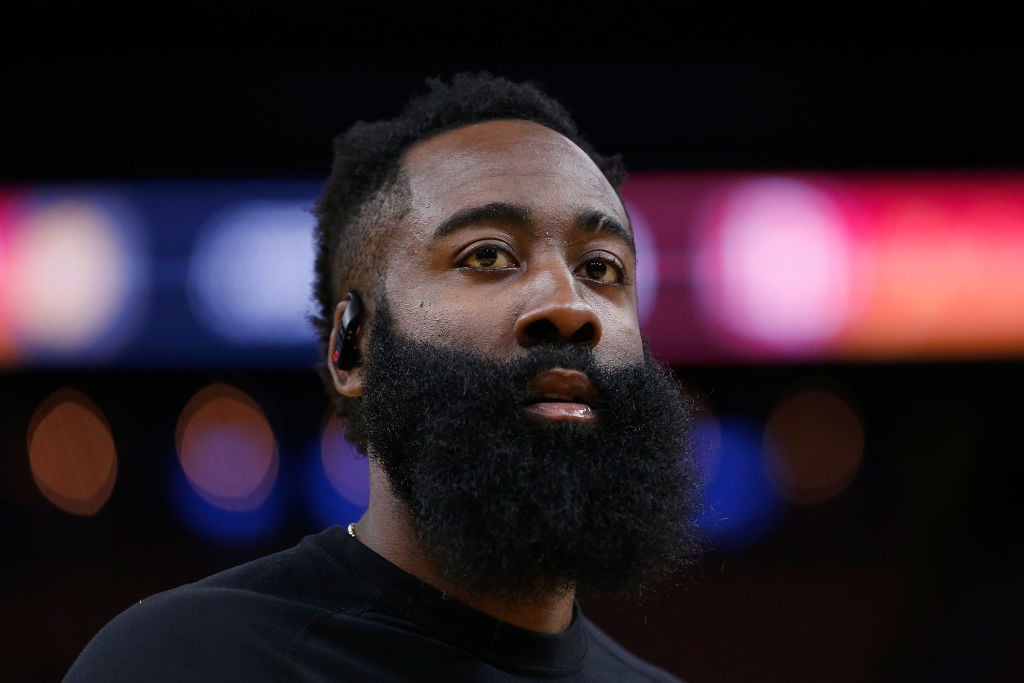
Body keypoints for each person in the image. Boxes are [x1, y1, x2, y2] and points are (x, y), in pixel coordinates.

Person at [64, 71, 705, 682]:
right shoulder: (188, 660)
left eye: (601, 268)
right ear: (352, 349)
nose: (569, 306)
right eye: (487, 255)